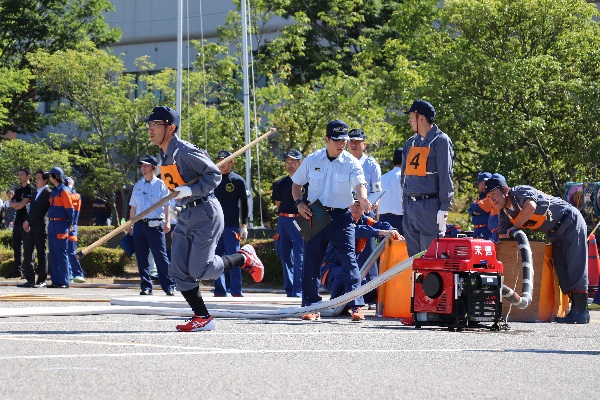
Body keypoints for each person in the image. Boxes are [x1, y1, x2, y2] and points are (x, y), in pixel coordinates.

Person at [146, 106, 264, 331]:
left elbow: (214, 175)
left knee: (201, 269)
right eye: (149, 125)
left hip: (205, 212)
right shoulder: (164, 153)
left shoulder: (185, 151)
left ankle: (244, 257)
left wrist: (190, 191)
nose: (151, 130)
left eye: (156, 125)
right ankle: (202, 317)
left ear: (171, 128)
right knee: (178, 270)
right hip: (186, 214)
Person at [292, 119, 371, 322]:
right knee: (310, 261)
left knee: (349, 260)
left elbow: (359, 185)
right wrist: (299, 203)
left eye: (344, 139)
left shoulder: (351, 162)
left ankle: (356, 306)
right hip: (315, 213)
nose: (342, 143)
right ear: (326, 139)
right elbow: (296, 184)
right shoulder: (313, 159)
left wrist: (362, 199)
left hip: (341, 216)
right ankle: (310, 305)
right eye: (336, 139)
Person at [484, 177, 589, 324]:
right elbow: (503, 237)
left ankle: (581, 311)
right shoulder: (505, 214)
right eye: (488, 197)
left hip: (570, 222)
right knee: (561, 270)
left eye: (493, 194)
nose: (491, 200)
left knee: (575, 267)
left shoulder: (520, 192)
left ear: (505, 190)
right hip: (554, 233)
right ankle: (575, 310)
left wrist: (515, 228)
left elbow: (531, 207)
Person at [320, 199, 401, 304]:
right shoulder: (340, 220)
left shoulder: (365, 220)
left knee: (370, 292)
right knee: (343, 273)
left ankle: (348, 305)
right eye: (352, 205)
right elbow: (357, 230)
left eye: (359, 205)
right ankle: (334, 305)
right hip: (330, 271)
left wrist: (392, 230)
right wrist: (381, 232)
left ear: (365, 207)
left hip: (351, 271)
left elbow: (381, 225)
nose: (355, 208)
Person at [401, 100, 454, 257]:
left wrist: (444, 207)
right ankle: (416, 282)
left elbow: (446, 176)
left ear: (421, 118)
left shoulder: (441, 141)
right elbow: (404, 175)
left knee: (431, 257)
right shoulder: (410, 142)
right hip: (410, 206)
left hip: (430, 206)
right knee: (414, 260)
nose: (409, 121)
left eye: (411, 116)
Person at [127, 155, 176, 296]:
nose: (143, 168)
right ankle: (146, 286)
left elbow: (167, 205)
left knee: (161, 257)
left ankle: (168, 286)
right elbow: (133, 206)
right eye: (142, 165)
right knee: (141, 257)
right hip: (140, 225)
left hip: (155, 225)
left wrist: (167, 222)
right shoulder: (138, 185)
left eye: (146, 165)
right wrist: (130, 224)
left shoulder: (161, 185)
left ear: (154, 168)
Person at [347, 128, 382, 304]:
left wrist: (370, 203)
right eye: (351, 141)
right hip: (346, 213)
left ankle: (372, 293)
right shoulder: (342, 161)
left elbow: (377, 191)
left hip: (365, 213)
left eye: (357, 141)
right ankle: (350, 293)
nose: (353, 144)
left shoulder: (371, 164)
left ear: (364, 144)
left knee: (368, 253)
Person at [212, 149, 249, 297]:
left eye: (224, 160)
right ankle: (219, 290)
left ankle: (236, 290)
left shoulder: (237, 180)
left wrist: (244, 225)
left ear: (232, 162)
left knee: (233, 258)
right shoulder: (212, 179)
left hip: (231, 226)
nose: (220, 162)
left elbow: (244, 204)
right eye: (218, 159)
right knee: (215, 259)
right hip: (214, 227)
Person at [271, 149, 307, 297]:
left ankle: (299, 289)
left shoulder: (307, 182)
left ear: (300, 163)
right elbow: (278, 204)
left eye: (293, 162)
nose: (289, 165)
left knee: (300, 255)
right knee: (285, 254)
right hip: (284, 219)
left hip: (301, 219)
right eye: (287, 162)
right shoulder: (280, 183)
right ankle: (290, 288)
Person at [19, 170, 51, 288]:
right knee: (27, 252)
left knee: (41, 253)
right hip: (31, 226)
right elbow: (31, 210)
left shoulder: (48, 192)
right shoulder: (35, 192)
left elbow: (40, 211)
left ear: (45, 180)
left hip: (41, 226)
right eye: (36, 178)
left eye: (38, 178)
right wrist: (26, 223)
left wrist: (28, 222)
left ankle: (41, 280)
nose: (36, 180)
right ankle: (30, 279)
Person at [6, 168, 35, 279]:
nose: (20, 176)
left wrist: (18, 204)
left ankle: (29, 271)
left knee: (28, 247)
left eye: (22, 174)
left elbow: (23, 204)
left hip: (26, 222)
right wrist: (18, 204)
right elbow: (11, 203)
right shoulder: (18, 190)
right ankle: (17, 270)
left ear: (28, 176)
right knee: (16, 246)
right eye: (19, 174)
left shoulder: (30, 188)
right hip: (17, 221)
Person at [47, 167, 73, 288]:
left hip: (61, 224)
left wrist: (70, 224)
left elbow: (70, 209)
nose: (49, 178)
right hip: (52, 224)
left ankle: (64, 281)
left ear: (55, 176)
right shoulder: (54, 191)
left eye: (50, 176)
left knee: (61, 252)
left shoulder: (64, 191)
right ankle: (56, 280)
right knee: (52, 252)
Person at [378, 147, 404, 234]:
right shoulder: (405, 177)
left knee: (384, 247)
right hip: (400, 220)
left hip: (383, 220)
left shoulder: (382, 177)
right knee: (401, 247)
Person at [65, 177, 85, 283]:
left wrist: (69, 188)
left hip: (72, 226)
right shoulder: (62, 193)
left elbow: (74, 209)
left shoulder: (76, 195)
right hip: (63, 225)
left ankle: (78, 273)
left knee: (71, 251)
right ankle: (69, 274)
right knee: (64, 251)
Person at [468, 172, 493, 239]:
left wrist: (473, 207)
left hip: (487, 230)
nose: (478, 185)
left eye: (479, 183)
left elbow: (477, 208)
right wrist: (473, 211)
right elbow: (470, 209)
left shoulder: (491, 195)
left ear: (484, 182)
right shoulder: (482, 196)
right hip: (478, 230)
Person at [487, 173, 507, 243]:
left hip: (499, 231)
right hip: (493, 232)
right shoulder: (492, 198)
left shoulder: (502, 201)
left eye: (493, 193)